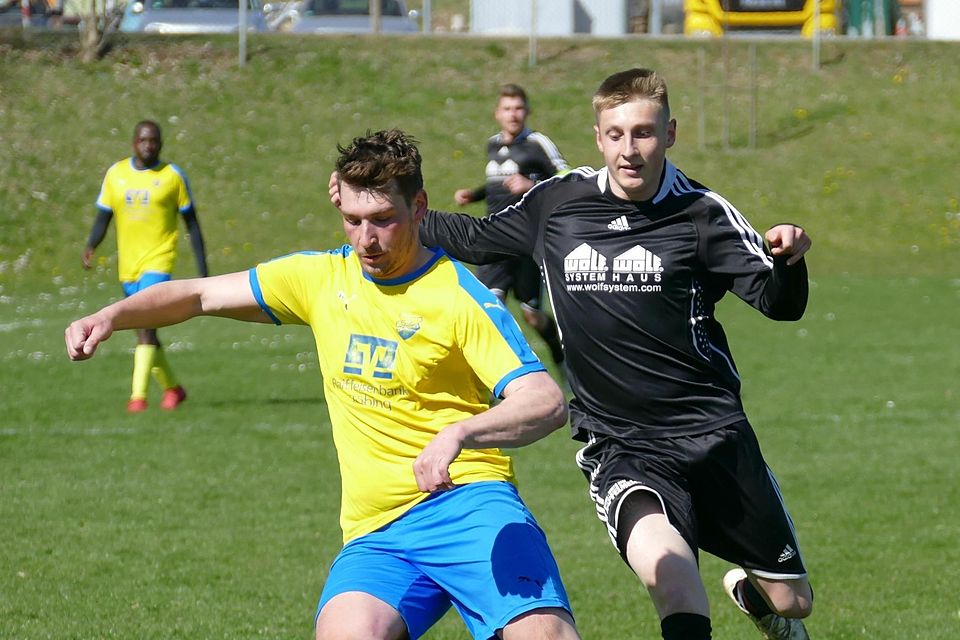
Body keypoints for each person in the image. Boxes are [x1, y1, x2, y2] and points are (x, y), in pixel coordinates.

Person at [346, 69, 815, 640]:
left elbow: (777, 303)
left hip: (714, 433)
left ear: (669, 133)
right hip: (621, 441)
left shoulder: (702, 214)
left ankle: (757, 597)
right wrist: (387, 208)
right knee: (669, 572)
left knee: (793, 602)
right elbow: (475, 237)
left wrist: (789, 259)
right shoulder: (559, 202)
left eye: (643, 133)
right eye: (616, 134)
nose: (630, 150)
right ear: (598, 137)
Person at [67, 129, 581, 640]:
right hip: (379, 531)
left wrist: (458, 435)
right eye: (353, 221)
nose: (366, 239)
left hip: (471, 505)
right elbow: (199, 295)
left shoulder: (459, 297)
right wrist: (113, 315)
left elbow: (544, 400)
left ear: (419, 207)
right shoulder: (321, 279)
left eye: (383, 220)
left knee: (542, 635)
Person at [82, 119, 208, 413]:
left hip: (158, 263)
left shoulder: (172, 177)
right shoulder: (116, 175)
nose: (148, 145)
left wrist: (204, 269)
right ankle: (173, 389)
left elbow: (193, 224)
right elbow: (104, 216)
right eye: (143, 140)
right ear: (133, 143)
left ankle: (137, 398)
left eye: (153, 141)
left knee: (147, 328)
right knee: (144, 331)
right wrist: (91, 245)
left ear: (160, 144)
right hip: (129, 266)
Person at [453, 83, 567, 366]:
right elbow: (499, 184)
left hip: (525, 241)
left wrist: (531, 184)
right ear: (497, 114)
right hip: (493, 238)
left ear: (527, 111)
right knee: (490, 308)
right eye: (507, 109)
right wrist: (474, 194)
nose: (513, 114)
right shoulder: (493, 144)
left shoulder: (538, 143)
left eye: (518, 108)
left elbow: (567, 179)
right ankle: (501, 380)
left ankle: (560, 358)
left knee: (532, 316)